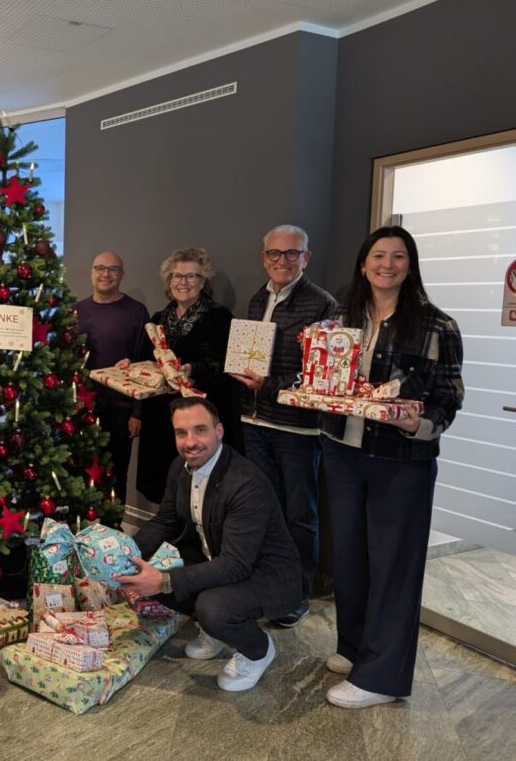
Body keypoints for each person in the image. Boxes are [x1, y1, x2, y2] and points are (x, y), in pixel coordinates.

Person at [320, 226, 463, 709]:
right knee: (349, 558)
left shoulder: (436, 325)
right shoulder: (340, 319)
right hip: (341, 451)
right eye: (378, 255)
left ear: (410, 265)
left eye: (398, 256)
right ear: (363, 264)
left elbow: (447, 400)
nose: (387, 264)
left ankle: (381, 677)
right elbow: (321, 379)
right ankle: (356, 648)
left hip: (401, 461)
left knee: (393, 565)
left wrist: (414, 423)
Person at [117, 397, 301, 693]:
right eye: (181, 433)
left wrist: (163, 581)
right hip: (218, 558)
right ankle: (214, 632)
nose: (191, 442)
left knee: (212, 607)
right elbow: (164, 521)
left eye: (200, 430)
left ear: (219, 431)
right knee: (148, 571)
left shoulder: (245, 483)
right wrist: (120, 555)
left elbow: (237, 564)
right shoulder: (181, 467)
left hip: (267, 573)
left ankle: (258, 650)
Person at [229, 224, 336, 628]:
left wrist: (268, 386)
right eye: (275, 253)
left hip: (296, 428)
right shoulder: (258, 299)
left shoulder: (324, 305)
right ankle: (268, 586)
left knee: (299, 516)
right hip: (254, 421)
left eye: (292, 254)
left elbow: (322, 375)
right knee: (265, 512)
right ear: (264, 258)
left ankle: (296, 594)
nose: (283, 261)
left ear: (306, 258)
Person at [137, 248, 242, 504]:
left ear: (203, 281)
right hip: (161, 418)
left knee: (200, 490)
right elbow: (146, 361)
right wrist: (131, 365)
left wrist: (192, 370)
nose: (183, 282)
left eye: (191, 276)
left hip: (198, 415)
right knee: (164, 489)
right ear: (168, 281)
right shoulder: (159, 319)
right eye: (177, 276)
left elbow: (227, 366)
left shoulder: (220, 317)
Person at [73, 251, 149, 505]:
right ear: (91, 272)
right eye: (100, 268)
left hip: (122, 409)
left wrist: (138, 411)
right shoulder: (77, 311)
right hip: (84, 408)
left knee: (116, 474)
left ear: (122, 275)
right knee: (83, 471)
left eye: (113, 269)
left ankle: (113, 531)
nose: (106, 274)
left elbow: (144, 362)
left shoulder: (136, 312)